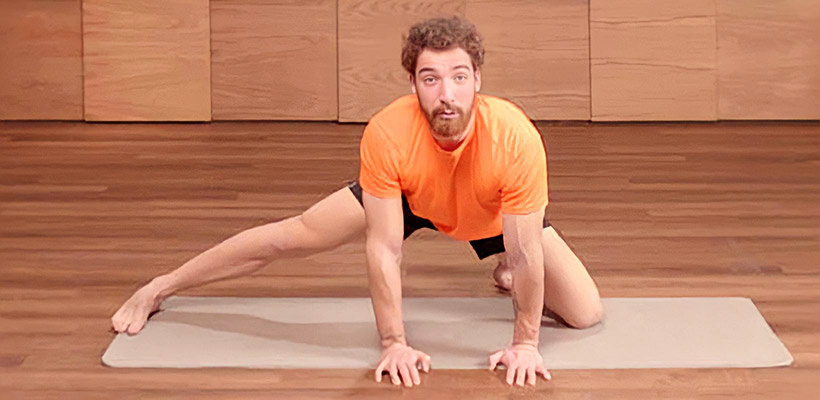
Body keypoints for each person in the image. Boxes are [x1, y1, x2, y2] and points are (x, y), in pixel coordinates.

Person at [111, 15, 602, 388]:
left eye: (458, 76)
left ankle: (501, 270)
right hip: (412, 195)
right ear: (413, 85)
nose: (446, 93)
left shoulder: (514, 138)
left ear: (477, 80)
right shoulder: (389, 131)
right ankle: (160, 287)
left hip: (490, 210)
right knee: (294, 236)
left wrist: (525, 344)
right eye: (430, 78)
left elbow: (526, 251)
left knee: (585, 313)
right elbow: (384, 249)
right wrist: (393, 343)